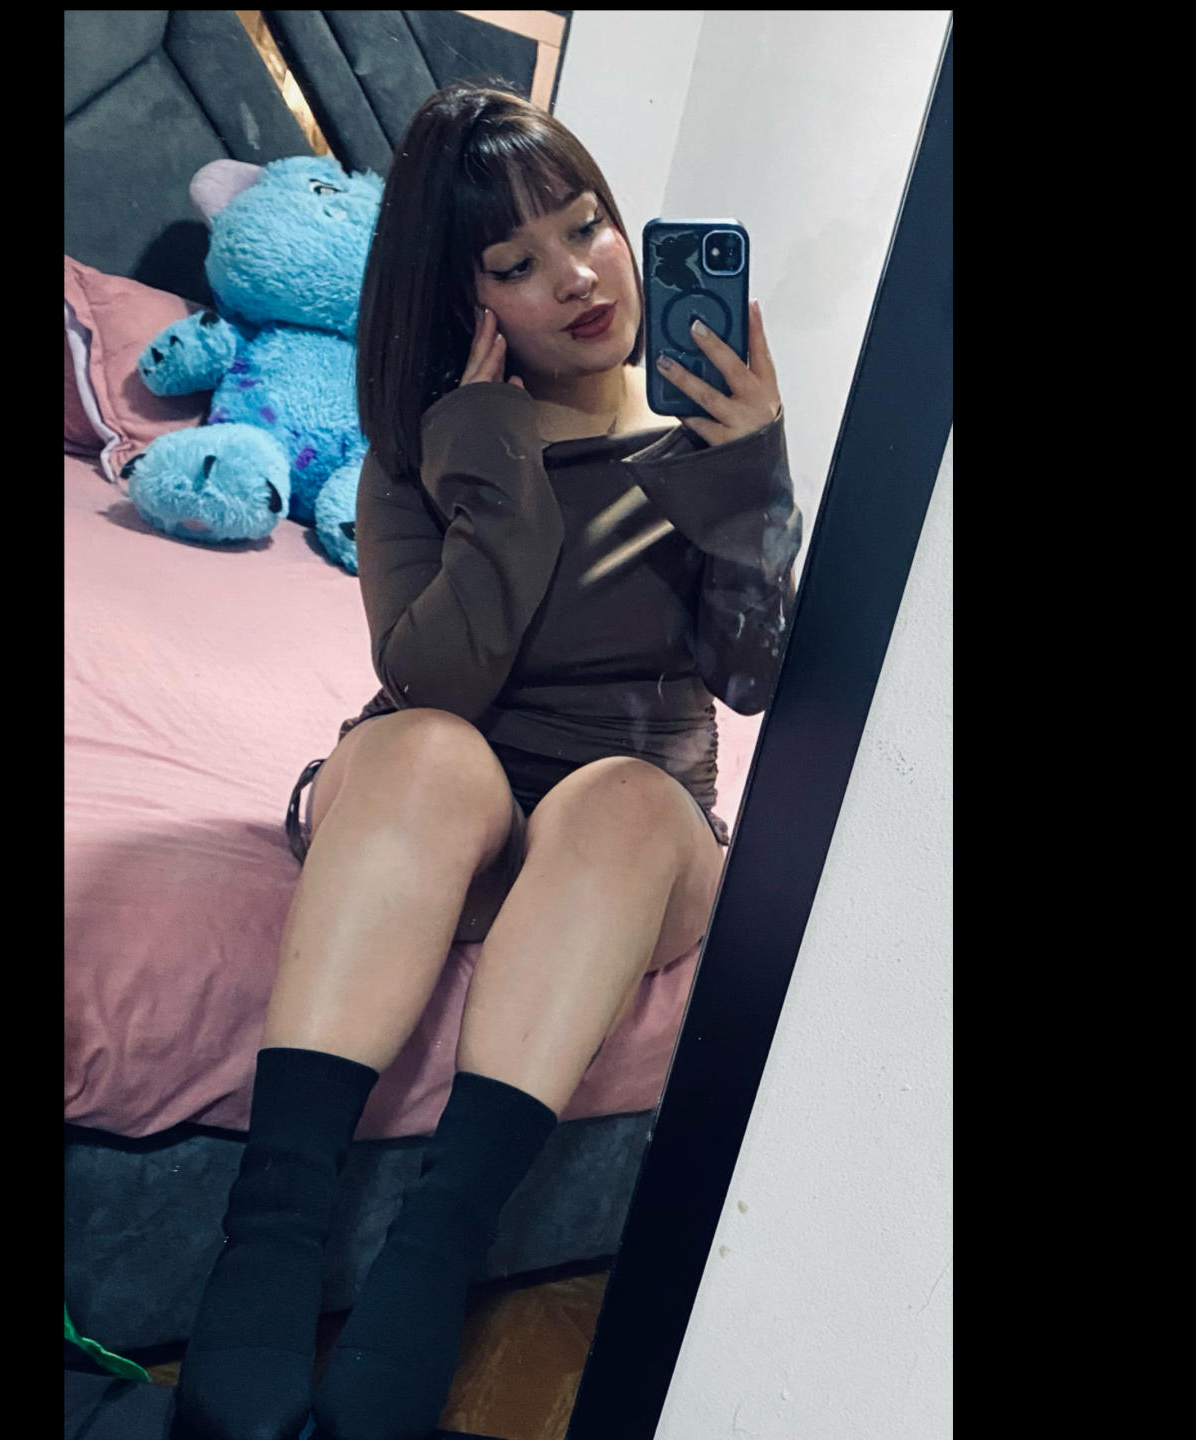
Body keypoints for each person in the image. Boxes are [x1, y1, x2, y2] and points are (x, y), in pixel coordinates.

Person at [173, 80, 802, 1440]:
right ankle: (268, 1242)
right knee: (425, 749)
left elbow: (750, 676)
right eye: (517, 263)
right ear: (464, 301)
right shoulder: (431, 445)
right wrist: (489, 464)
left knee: (631, 801)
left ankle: (429, 1263)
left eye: (587, 227)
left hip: (624, 833)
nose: (577, 277)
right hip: (444, 806)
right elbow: (435, 679)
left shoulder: (701, 443)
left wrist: (750, 473)